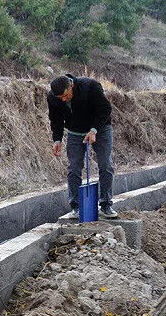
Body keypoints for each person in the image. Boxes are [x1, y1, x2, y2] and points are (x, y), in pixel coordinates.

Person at [48, 74, 118, 220]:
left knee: (105, 164)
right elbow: (56, 119)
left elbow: (105, 109)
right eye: (60, 97)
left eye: (65, 95)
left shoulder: (90, 87)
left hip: (100, 129)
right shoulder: (53, 97)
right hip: (75, 132)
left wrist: (94, 130)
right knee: (73, 168)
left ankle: (106, 205)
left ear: (71, 86)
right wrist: (57, 139)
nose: (63, 99)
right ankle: (76, 207)